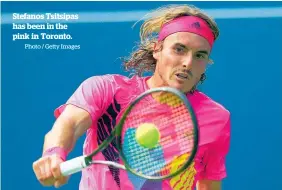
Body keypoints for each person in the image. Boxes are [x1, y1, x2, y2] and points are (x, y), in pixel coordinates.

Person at [32, 4, 231, 190]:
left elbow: (209, 183)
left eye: (200, 55)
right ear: (157, 49)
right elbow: (70, 123)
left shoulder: (216, 118)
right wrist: (53, 154)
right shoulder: (106, 89)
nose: (187, 62)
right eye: (179, 49)